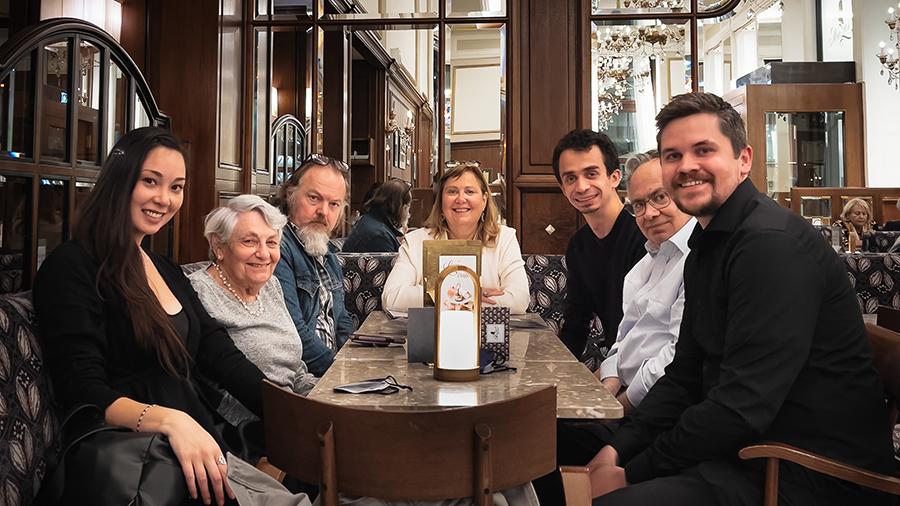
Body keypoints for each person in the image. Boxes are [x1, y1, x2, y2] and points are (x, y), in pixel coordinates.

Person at [589, 92, 894, 506]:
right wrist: (618, 449)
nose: (687, 166)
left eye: (704, 150)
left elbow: (741, 405)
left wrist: (631, 473)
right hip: (749, 450)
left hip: (812, 470)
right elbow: (684, 376)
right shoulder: (707, 242)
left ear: (744, 159)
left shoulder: (769, 245)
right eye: (672, 155)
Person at [32, 127, 267, 506]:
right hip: (138, 456)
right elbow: (82, 389)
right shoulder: (71, 266)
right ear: (118, 181)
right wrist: (169, 421)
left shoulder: (165, 268)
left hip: (198, 432)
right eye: (150, 181)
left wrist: (286, 409)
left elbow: (216, 350)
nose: (164, 198)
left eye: (176, 186)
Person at [189, 195, 318, 430]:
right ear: (218, 245)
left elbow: (294, 370)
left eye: (271, 243)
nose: (264, 254)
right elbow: (207, 389)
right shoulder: (198, 294)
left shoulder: (270, 286)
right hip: (247, 431)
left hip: (293, 411)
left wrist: (331, 399)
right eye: (250, 241)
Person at [597, 150, 695, 415]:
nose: (649, 213)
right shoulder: (644, 266)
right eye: (638, 204)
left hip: (654, 408)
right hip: (621, 395)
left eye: (660, 198)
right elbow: (622, 342)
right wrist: (607, 388)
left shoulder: (697, 261)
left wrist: (620, 407)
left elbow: (674, 358)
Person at [382, 162, 529, 314]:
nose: (460, 199)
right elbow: (391, 298)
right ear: (441, 201)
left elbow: (519, 300)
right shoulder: (416, 241)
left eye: (470, 192)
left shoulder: (504, 239)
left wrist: (440, 300)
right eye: (452, 191)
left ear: (484, 200)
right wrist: (467, 294)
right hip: (428, 335)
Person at [553, 129, 646, 364]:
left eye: (591, 173)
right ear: (563, 189)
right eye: (571, 178)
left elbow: (647, 328)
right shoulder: (578, 246)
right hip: (619, 363)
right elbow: (576, 324)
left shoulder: (644, 234)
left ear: (614, 177)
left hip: (651, 364)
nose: (582, 186)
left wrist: (607, 377)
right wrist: (555, 373)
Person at [271, 154, 355, 377]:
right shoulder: (275, 247)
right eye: (314, 198)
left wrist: (356, 359)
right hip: (304, 378)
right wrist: (344, 371)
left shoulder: (323, 248)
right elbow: (294, 333)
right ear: (290, 196)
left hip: (331, 371)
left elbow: (341, 319)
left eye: (333, 204)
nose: (323, 212)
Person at [342, 178, 411, 252]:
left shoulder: (370, 220)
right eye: (408, 207)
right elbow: (393, 263)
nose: (408, 215)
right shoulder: (380, 237)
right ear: (402, 207)